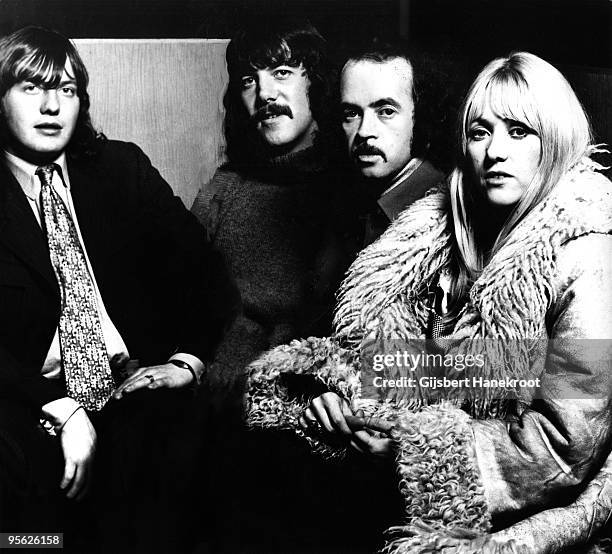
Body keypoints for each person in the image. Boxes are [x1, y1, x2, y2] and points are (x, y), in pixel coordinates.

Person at [246, 51, 612, 552]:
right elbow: (413, 371)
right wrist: (343, 399)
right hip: (406, 498)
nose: (495, 152)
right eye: (481, 132)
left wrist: (413, 451)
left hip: (524, 520)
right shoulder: (434, 237)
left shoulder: (591, 256)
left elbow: (562, 445)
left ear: (557, 140)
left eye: (519, 131)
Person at [0, 26, 237, 553]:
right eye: (29, 87)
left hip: (128, 388)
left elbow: (206, 271)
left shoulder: (120, 169)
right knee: (29, 537)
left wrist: (185, 361)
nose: (50, 106)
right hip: (25, 404)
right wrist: (58, 410)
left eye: (65, 90)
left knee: (187, 446)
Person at [337, 39, 450, 248]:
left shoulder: (442, 219)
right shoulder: (353, 207)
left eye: (386, 111)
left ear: (422, 116)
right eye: (351, 114)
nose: (364, 131)